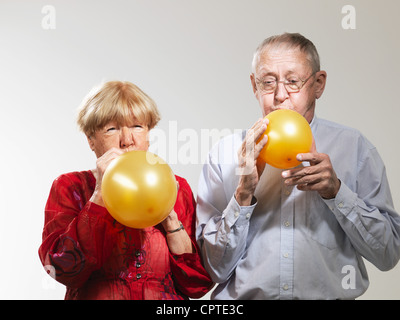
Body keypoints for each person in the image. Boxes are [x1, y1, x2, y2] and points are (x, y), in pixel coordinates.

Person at [196, 33, 400, 299]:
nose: (280, 95)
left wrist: (337, 193)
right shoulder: (224, 154)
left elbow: (388, 254)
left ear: (318, 84)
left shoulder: (355, 148)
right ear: (254, 86)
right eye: (268, 82)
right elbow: (212, 271)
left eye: (293, 81)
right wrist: (243, 195)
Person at [39, 81, 213, 300]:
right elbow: (63, 269)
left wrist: (170, 220)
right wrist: (100, 195)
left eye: (137, 126)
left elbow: (196, 286)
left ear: (149, 134)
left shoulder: (177, 188)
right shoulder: (70, 186)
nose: (127, 141)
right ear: (91, 140)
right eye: (112, 129)